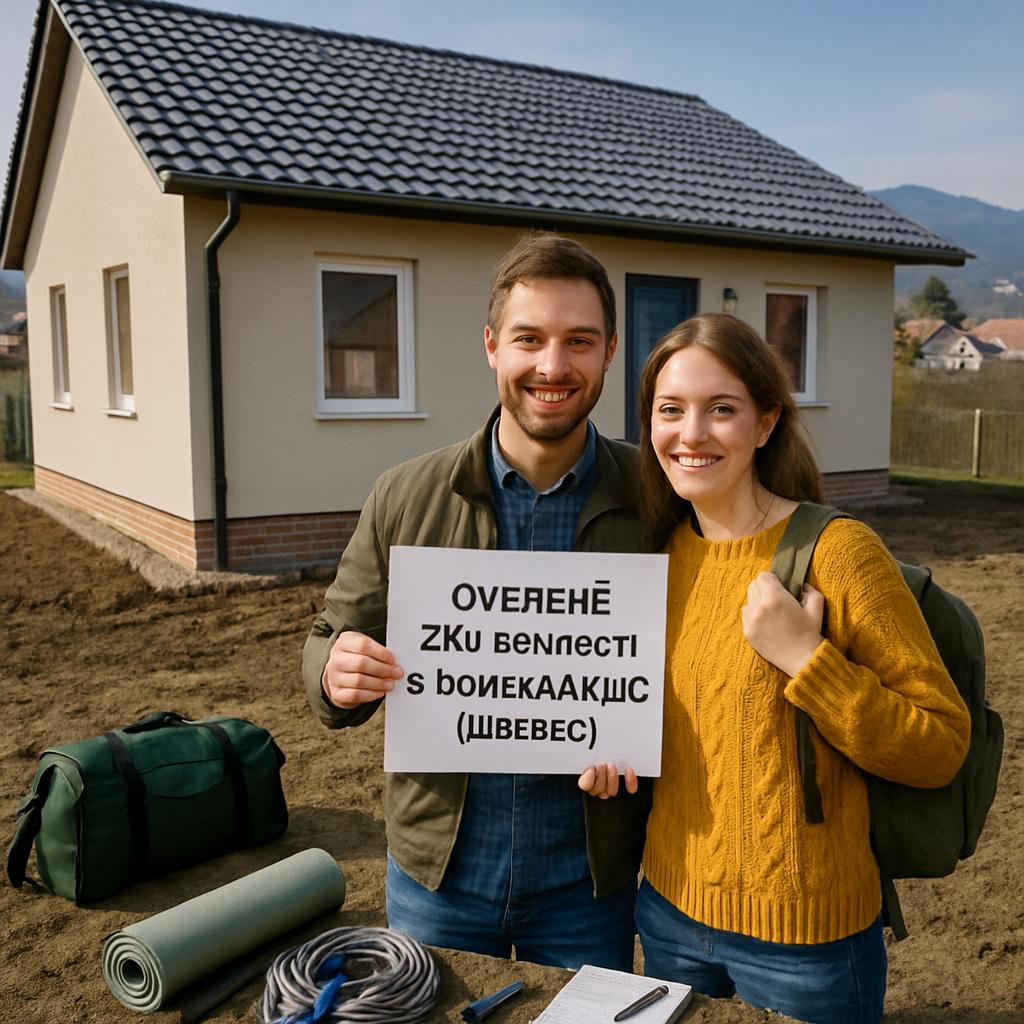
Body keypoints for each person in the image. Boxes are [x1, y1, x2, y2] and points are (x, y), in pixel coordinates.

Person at [579, 313, 970, 1023]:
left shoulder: (839, 554)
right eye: (670, 410)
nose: (690, 434)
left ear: (765, 424)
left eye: (720, 409)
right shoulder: (657, 560)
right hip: (667, 916)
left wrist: (807, 660)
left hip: (808, 944)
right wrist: (608, 749)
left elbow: (941, 746)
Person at [302, 232, 652, 970]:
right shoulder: (403, 495)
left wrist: (650, 739)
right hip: (440, 876)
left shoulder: (658, 500)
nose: (552, 366)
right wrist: (334, 671)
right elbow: (330, 633)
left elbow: (689, 666)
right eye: (530, 339)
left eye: (578, 341)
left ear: (610, 352)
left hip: (588, 884)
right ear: (493, 346)